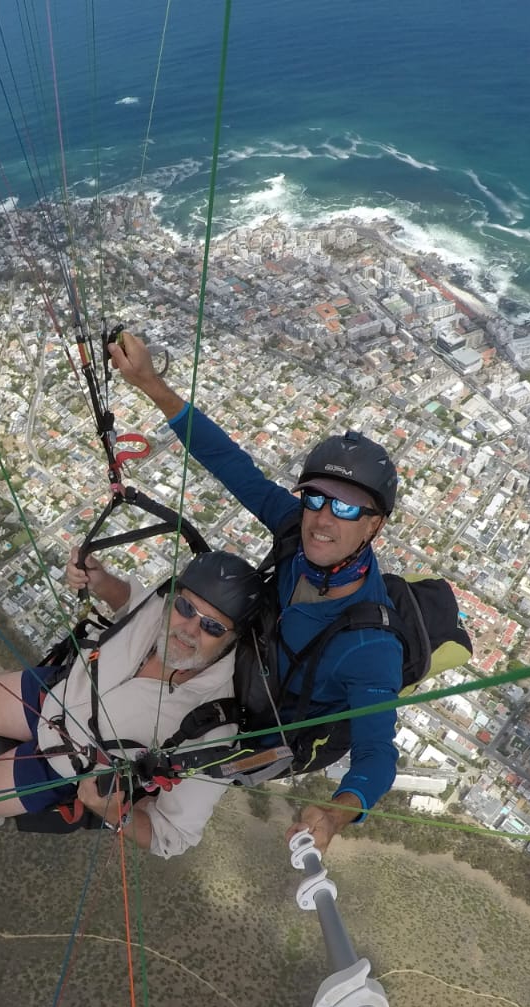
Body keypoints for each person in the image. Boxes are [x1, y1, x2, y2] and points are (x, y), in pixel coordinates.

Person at [109, 330, 403, 853]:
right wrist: (151, 384)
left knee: (143, 769)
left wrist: (336, 813)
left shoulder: (370, 645)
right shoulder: (295, 530)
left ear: (374, 525)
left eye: (346, 508)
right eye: (316, 498)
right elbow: (232, 465)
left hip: (259, 728)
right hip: (240, 666)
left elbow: (377, 752)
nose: (323, 519)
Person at [0, 549, 261, 857]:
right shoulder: (162, 608)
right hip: (61, 691)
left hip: (68, 764)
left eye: (212, 626)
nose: (189, 629)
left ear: (233, 639)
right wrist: (100, 580)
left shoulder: (213, 726)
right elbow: (132, 604)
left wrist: (113, 812)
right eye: (186, 608)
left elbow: (174, 836)